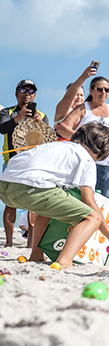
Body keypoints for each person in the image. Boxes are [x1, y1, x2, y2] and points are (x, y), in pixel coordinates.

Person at [0, 122, 109, 268]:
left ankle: (36, 255)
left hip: (4, 186)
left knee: (49, 208)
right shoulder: (87, 159)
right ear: (104, 150)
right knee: (93, 217)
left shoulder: (58, 146)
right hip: (31, 187)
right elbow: (89, 201)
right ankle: (65, 260)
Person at [58, 77, 109, 200]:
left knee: (106, 202)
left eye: (107, 90)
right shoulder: (83, 109)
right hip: (85, 162)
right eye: (100, 89)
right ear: (91, 91)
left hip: (108, 164)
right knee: (82, 201)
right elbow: (62, 128)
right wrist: (82, 138)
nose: (103, 93)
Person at [0, 80, 50, 247]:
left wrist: (40, 124)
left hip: (32, 163)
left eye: (31, 90)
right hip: (12, 162)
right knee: (9, 203)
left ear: (35, 95)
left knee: (33, 204)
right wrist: (19, 117)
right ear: (16, 93)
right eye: (23, 89)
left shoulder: (41, 116)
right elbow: (2, 128)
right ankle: (8, 242)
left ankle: (30, 242)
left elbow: (48, 140)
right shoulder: (7, 111)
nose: (27, 93)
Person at [53, 63, 98, 136]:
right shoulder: (63, 111)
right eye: (77, 95)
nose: (79, 98)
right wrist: (84, 76)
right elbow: (68, 97)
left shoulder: (86, 113)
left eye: (81, 95)